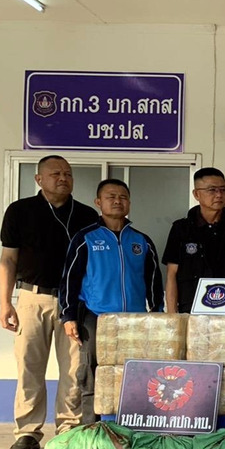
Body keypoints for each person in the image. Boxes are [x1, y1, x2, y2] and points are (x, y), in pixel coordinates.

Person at [0, 155, 99, 449]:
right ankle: (28, 432)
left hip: (75, 303)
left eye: (68, 173)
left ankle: (69, 429)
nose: (63, 178)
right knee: (29, 366)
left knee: (74, 369)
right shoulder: (20, 211)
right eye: (55, 173)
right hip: (33, 298)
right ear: (39, 179)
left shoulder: (86, 215)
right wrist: (5, 303)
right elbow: (8, 259)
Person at [60, 179, 164, 424]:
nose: (118, 201)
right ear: (98, 202)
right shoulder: (85, 238)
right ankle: (91, 427)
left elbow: (153, 281)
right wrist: (68, 316)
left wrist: (157, 312)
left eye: (123, 197)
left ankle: (131, 423)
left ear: (129, 203)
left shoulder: (141, 241)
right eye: (111, 197)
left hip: (135, 320)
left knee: (135, 371)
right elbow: (69, 279)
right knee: (92, 371)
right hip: (96, 316)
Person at [161, 167, 225, 313]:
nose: (219, 195)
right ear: (196, 194)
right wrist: (172, 315)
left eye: (223, 189)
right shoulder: (181, 228)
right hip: (192, 309)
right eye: (212, 190)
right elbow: (171, 275)